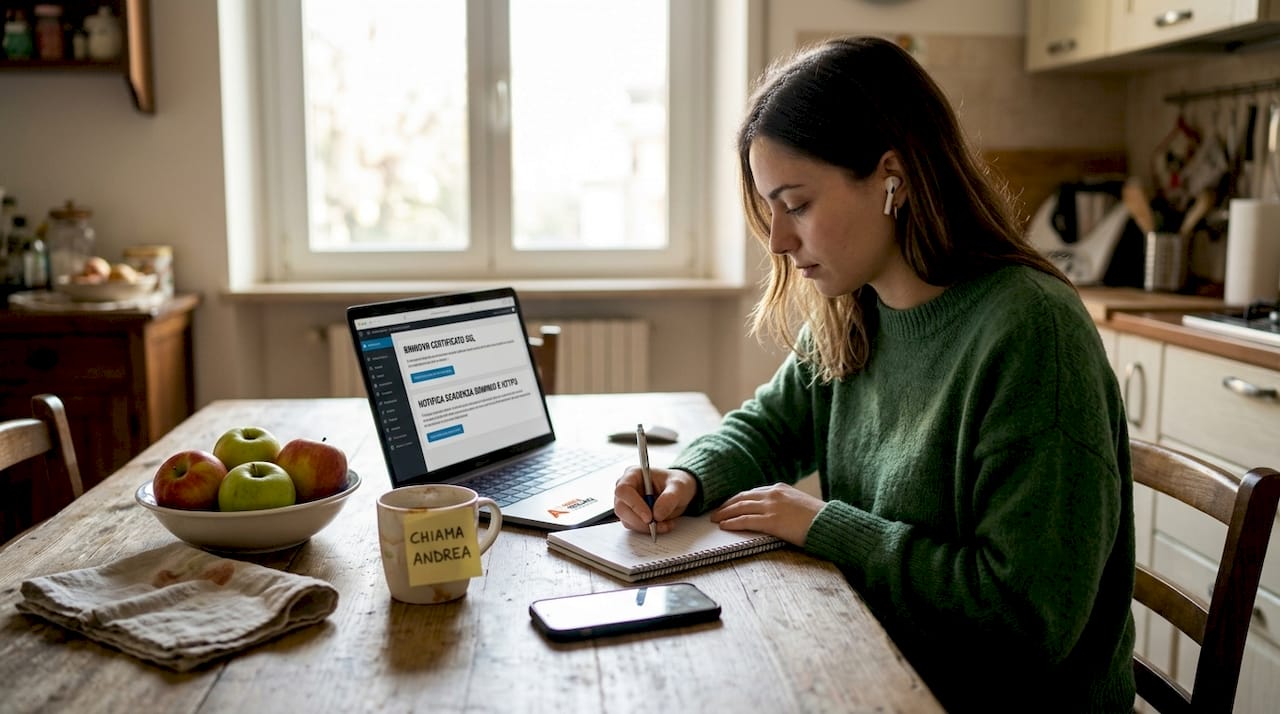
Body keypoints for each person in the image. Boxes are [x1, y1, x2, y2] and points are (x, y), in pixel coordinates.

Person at [614, 36, 1135, 711]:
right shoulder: (854, 308)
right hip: (885, 662)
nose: (778, 240)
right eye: (771, 209)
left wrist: (824, 526)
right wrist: (689, 476)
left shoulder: (1032, 331)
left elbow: (1026, 621)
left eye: (797, 204)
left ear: (894, 177)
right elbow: (771, 427)